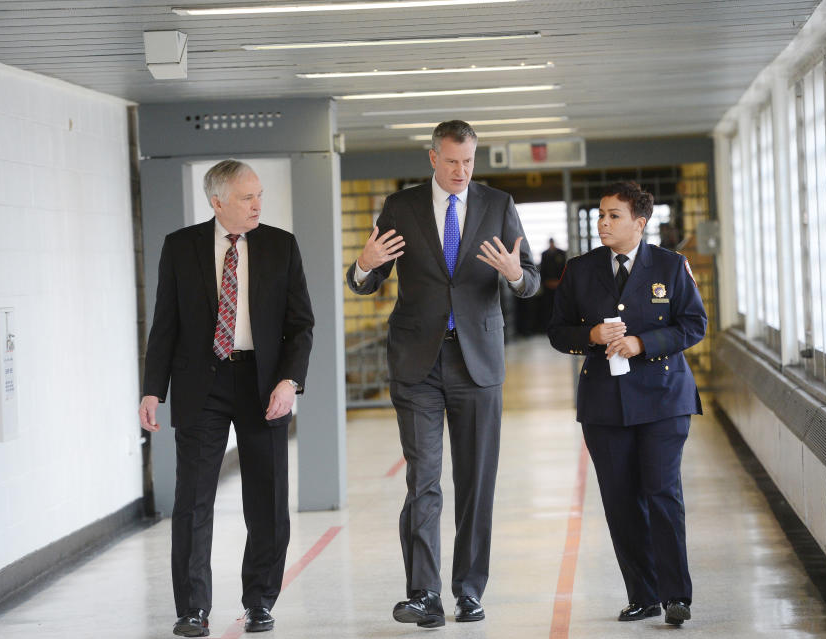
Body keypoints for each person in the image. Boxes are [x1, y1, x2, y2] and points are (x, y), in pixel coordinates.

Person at [346, 120, 539, 628]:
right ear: (433, 158)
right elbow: (366, 281)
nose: (461, 171)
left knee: (476, 481)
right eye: (452, 161)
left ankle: (469, 591)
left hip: (478, 362)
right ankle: (423, 593)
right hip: (418, 363)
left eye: (469, 161)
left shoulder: (498, 205)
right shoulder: (401, 207)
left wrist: (515, 275)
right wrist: (363, 265)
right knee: (423, 480)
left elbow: (531, 279)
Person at [139, 160, 314, 636]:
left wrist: (289, 381)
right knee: (193, 503)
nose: (257, 204)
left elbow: (301, 326)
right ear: (217, 202)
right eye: (245, 197)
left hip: (263, 386)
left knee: (267, 501)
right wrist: (153, 389)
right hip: (203, 385)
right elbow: (165, 325)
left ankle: (260, 601)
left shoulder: (281, 245)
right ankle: (192, 609)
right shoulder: (181, 247)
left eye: (259, 195)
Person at [547, 181, 706, 626]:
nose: (603, 222)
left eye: (614, 216)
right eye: (601, 214)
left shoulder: (671, 267)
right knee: (620, 500)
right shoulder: (580, 270)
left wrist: (643, 342)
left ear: (640, 222)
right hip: (604, 404)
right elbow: (559, 332)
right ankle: (643, 594)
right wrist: (591, 336)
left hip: (663, 400)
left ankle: (677, 596)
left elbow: (694, 325)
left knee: (661, 494)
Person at [538, 238, 568, 330]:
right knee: (548, 307)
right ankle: (548, 326)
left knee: (560, 306)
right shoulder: (544, 254)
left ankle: (561, 326)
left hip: (559, 285)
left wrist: (560, 282)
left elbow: (565, 269)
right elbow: (542, 270)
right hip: (547, 286)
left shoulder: (561, 253)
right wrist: (546, 282)